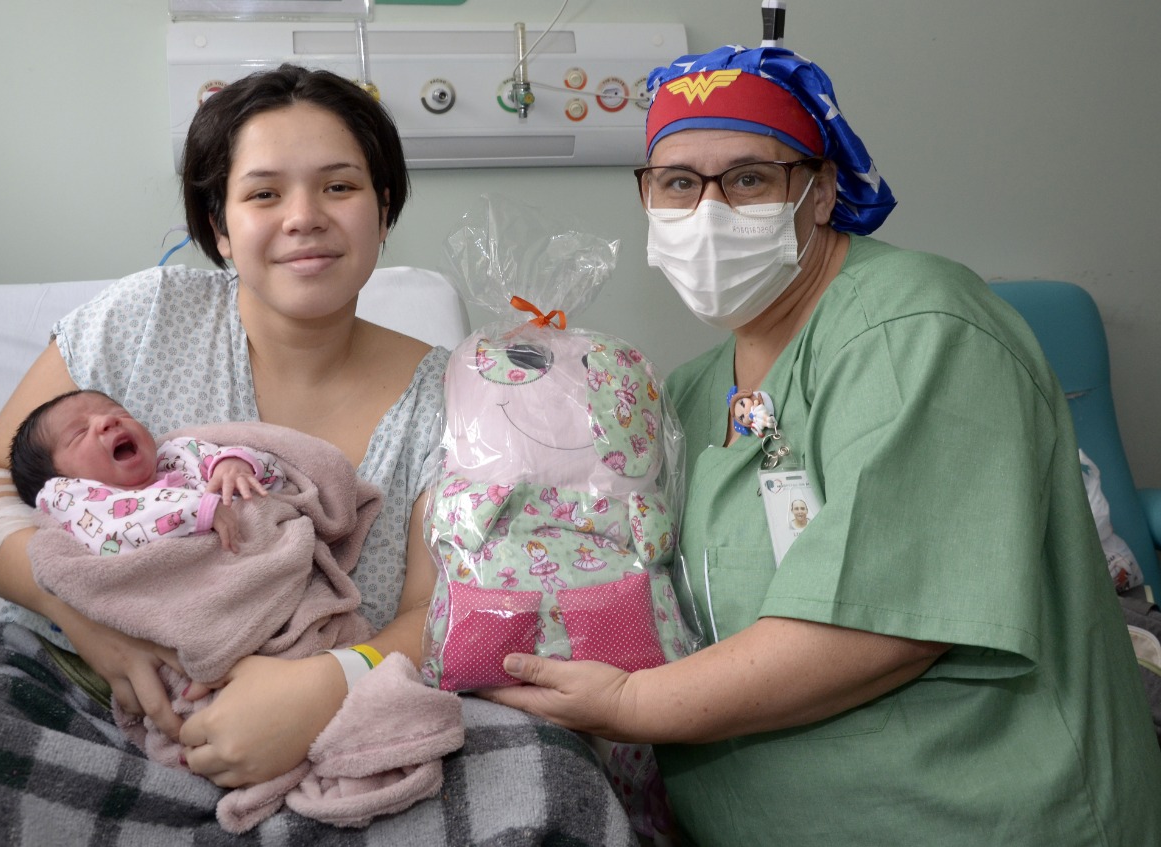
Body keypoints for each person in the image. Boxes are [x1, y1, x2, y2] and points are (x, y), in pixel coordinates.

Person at [0, 64, 634, 845]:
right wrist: (90, 625)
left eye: (339, 187)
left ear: (383, 209)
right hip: (83, 692)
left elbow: (433, 613)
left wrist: (321, 686)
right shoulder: (145, 318)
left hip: (334, 723)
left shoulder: (455, 400)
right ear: (218, 226)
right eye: (264, 193)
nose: (304, 217)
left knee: (556, 783)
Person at [486, 43, 1161, 845]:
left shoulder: (920, 327)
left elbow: (883, 625)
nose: (707, 213)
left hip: (974, 816)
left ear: (821, 191)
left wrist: (632, 706)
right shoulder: (690, 393)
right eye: (677, 183)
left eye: (749, 179)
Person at [10, 388, 283, 554]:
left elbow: (272, 473)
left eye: (118, 413)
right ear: (59, 480)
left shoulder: (176, 455)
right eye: (79, 432)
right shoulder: (72, 501)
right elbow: (113, 533)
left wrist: (233, 465)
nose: (108, 420)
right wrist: (197, 510)